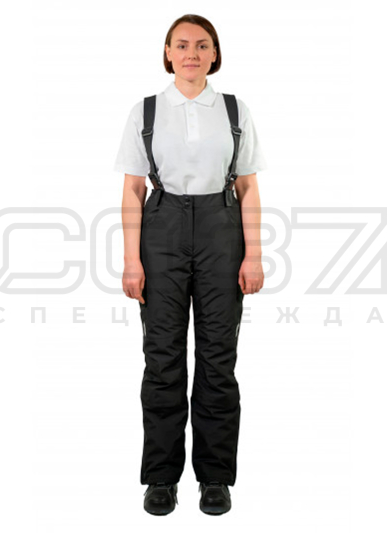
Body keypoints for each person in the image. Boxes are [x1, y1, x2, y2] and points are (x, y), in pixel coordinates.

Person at [113, 14, 267, 516]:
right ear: (167, 53)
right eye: (181, 45)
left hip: (223, 229)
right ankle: (160, 478)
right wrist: (132, 260)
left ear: (215, 54)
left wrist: (254, 255)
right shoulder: (146, 111)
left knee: (218, 358)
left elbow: (248, 187)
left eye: (202, 45)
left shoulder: (234, 109)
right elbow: (132, 190)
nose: (192, 54)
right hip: (161, 230)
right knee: (162, 358)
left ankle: (215, 478)